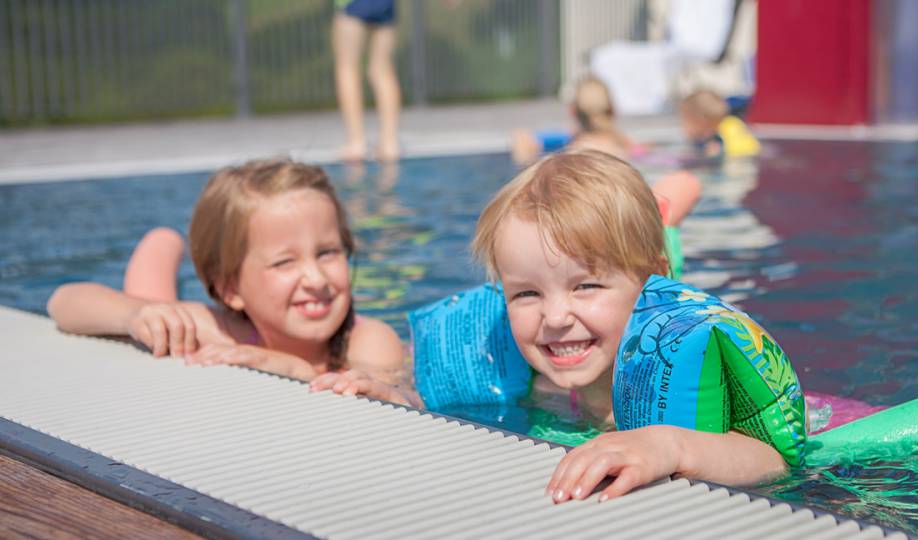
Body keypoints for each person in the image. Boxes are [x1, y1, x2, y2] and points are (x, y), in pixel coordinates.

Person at [470, 150, 797, 502]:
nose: (555, 318)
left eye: (585, 286)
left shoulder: (685, 382)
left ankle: (667, 218)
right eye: (527, 293)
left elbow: (775, 460)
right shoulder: (535, 387)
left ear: (650, 283)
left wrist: (672, 446)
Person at [47, 159, 405, 385]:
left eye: (327, 253)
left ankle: (165, 241)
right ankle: (164, 242)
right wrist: (134, 314)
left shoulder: (369, 341)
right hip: (194, 309)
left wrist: (295, 371)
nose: (316, 279)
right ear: (230, 287)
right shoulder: (221, 333)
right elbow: (64, 303)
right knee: (156, 311)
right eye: (284, 262)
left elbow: (386, 401)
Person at [511, 77, 701, 229]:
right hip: (627, 221)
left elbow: (522, 140)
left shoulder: (572, 148)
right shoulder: (627, 147)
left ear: (572, 112)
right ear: (613, 110)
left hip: (582, 222)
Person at [332, 0, 401, 162]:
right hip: (385, 5)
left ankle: (356, 142)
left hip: (353, 4)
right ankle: (390, 143)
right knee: (382, 70)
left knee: (347, 67)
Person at [678, 89, 760, 158]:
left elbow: (714, 157)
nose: (684, 126)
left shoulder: (714, 142)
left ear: (698, 121)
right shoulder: (732, 122)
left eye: (685, 120)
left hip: (735, 163)